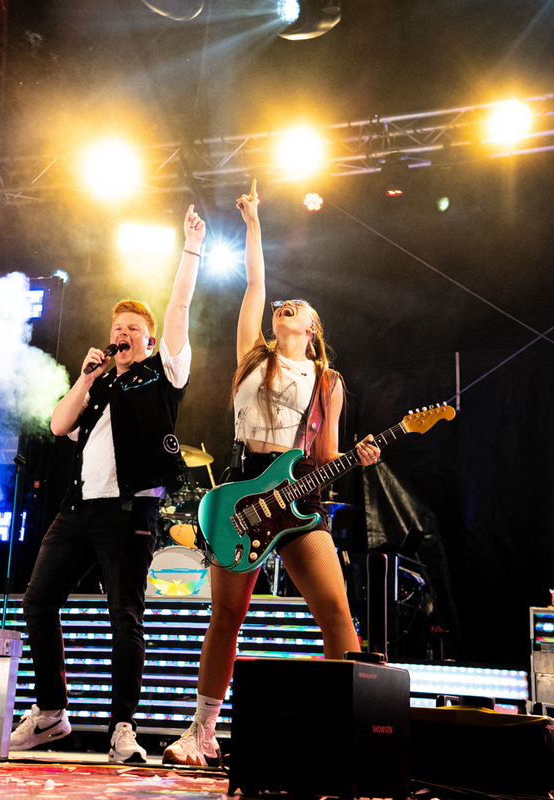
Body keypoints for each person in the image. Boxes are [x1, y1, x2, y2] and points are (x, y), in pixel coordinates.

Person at [162, 179, 380, 767]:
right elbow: (256, 283)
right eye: (283, 304)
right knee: (226, 617)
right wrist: (254, 222)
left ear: (312, 329)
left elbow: (325, 458)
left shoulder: (327, 382)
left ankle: (350, 735)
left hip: (298, 500)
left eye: (298, 306)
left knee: (335, 611)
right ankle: (202, 734)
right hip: (242, 495)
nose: (286, 304)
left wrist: (356, 458)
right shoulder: (252, 357)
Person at [10, 205, 205, 764]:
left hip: (128, 512)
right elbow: (57, 425)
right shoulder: (98, 389)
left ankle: (123, 729)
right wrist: (86, 377)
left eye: (132, 330)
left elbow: (179, 308)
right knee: (38, 602)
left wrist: (190, 248)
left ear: (149, 341)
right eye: (117, 328)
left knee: (125, 617)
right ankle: (52, 712)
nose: (122, 335)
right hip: (77, 511)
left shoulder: (163, 375)